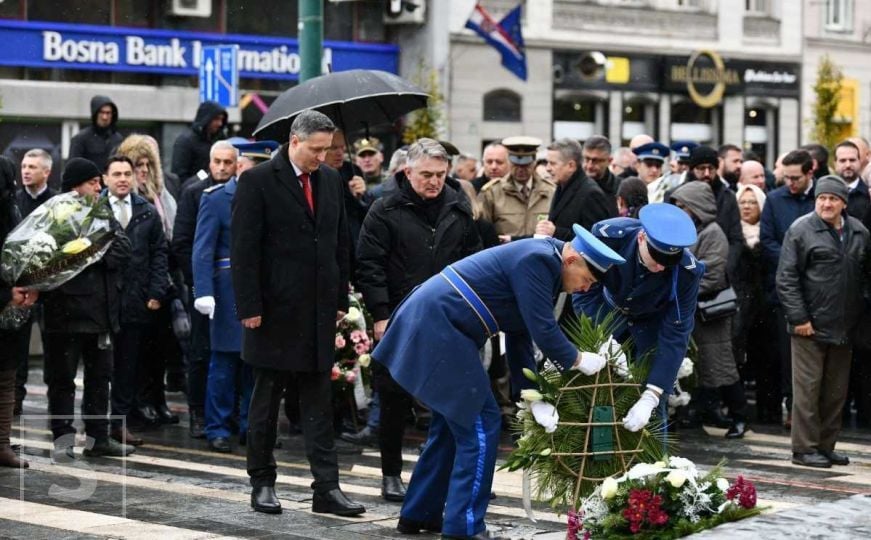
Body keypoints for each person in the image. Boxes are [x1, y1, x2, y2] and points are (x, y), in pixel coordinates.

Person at [374, 225, 624, 539]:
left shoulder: (546, 264)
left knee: (452, 426)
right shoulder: (539, 260)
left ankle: (420, 513)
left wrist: (532, 396)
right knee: (482, 421)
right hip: (440, 325)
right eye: (587, 280)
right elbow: (543, 329)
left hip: (440, 324)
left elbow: (520, 335)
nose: (586, 289)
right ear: (572, 259)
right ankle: (465, 527)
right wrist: (577, 359)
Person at [231, 110, 362, 517]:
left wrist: (340, 298)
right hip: (273, 312)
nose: (322, 158)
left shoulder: (330, 180)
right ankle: (262, 482)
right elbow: (244, 250)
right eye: (316, 149)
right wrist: (249, 306)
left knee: (319, 404)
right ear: (294, 141)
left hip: (319, 311)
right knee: (266, 403)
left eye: (327, 149)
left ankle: (327, 487)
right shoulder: (257, 181)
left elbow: (339, 243)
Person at [356, 138, 482, 504]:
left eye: (441, 174)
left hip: (447, 317)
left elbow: (472, 261)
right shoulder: (384, 209)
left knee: (448, 404)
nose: (434, 181)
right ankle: (391, 474)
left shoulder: (458, 208)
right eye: (426, 174)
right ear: (407, 171)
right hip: (398, 314)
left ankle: (445, 477)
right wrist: (380, 314)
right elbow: (369, 265)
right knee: (394, 400)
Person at [573, 203, 706, 432]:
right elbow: (584, 293)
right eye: (655, 258)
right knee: (597, 401)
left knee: (652, 413)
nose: (660, 268)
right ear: (642, 237)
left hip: (650, 327)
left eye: (668, 263)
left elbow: (677, 331)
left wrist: (652, 395)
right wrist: (603, 338)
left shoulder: (687, 272)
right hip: (607, 316)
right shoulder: (610, 237)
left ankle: (654, 466)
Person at [42, 157, 135, 458]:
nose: (99, 187)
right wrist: (92, 250)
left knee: (100, 378)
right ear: (75, 185)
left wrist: (91, 251)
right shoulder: (55, 214)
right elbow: (56, 258)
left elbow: (122, 249)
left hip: (101, 313)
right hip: (66, 313)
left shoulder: (102, 211)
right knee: (62, 379)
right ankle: (63, 438)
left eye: (98, 181)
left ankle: (98, 438)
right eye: (92, 182)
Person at [777, 175, 870, 468]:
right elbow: (786, 278)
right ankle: (803, 449)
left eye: (832, 199)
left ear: (844, 202)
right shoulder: (800, 230)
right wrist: (799, 317)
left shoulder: (859, 231)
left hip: (844, 326)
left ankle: (826, 446)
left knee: (834, 392)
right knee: (807, 391)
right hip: (809, 327)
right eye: (821, 198)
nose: (826, 204)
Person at [172, 140, 238, 439]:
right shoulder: (195, 193)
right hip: (205, 286)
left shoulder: (240, 193)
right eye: (217, 162)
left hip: (230, 289)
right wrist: (201, 284)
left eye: (228, 162)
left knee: (233, 353)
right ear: (209, 163)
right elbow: (184, 244)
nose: (222, 167)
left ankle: (230, 413)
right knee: (201, 352)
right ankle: (198, 411)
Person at [670, 182, 747, 438]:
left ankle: (740, 417)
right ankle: (700, 413)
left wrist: (679, 288)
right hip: (695, 312)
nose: (680, 210)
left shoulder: (713, 233)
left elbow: (712, 275)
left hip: (710, 314)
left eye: (683, 205)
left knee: (722, 367)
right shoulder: (693, 231)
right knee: (701, 367)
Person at [106, 155, 170, 445]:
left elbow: (159, 253)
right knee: (100, 366)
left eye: (126, 174)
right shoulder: (96, 210)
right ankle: (96, 423)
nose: (122, 178)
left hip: (136, 299)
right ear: (106, 179)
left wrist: (156, 292)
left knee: (128, 365)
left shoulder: (145, 211)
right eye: (116, 173)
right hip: (103, 300)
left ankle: (119, 422)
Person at [192, 158, 253, 454]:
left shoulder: (269, 196)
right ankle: (217, 427)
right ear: (240, 167)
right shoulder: (216, 199)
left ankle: (251, 425)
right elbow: (202, 248)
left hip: (260, 290)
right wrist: (204, 290)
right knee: (224, 363)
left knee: (256, 363)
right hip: (227, 290)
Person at [760, 149, 816, 428]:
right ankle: (792, 405)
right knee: (787, 354)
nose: (791, 183)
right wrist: (793, 261)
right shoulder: (774, 199)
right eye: (787, 178)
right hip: (784, 288)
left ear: (810, 173)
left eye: (796, 178)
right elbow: (767, 240)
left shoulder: (820, 198)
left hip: (817, 286)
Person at [0, 155, 39, 468]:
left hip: (11, 306)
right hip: (6, 297)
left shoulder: (11, 207)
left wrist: (27, 286)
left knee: (6, 377)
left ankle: (1, 443)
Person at [14, 148, 57, 415]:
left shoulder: (57, 203)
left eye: (32, 166)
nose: (26, 171)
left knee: (54, 345)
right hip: (20, 287)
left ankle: (56, 398)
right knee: (17, 346)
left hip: (50, 287)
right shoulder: (14, 200)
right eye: (24, 166)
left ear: (47, 172)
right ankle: (15, 397)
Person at [733, 184, 773, 422]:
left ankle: (767, 411)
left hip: (764, 305)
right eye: (743, 202)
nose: (747, 206)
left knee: (765, 358)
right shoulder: (734, 233)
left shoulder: (768, 233)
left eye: (752, 202)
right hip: (740, 305)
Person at [536, 137, 616, 240]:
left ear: (571, 166)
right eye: (547, 163)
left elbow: (597, 240)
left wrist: (556, 232)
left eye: (553, 163)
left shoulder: (591, 194)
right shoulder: (562, 186)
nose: (548, 168)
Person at [479, 136, 555, 243]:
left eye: (525, 165)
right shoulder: (491, 192)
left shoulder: (550, 191)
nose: (520, 170)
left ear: (534, 163)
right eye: (516, 165)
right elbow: (482, 234)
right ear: (509, 162)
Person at [171, 100, 228, 183]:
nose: (220, 123)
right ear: (206, 118)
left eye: (221, 120)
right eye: (216, 119)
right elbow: (179, 175)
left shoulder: (219, 140)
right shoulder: (185, 141)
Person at [69, 95, 123, 171]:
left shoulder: (118, 139)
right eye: (102, 112)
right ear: (95, 114)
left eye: (108, 113)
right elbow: (72, 169)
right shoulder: (81, 139)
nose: (105, 117)